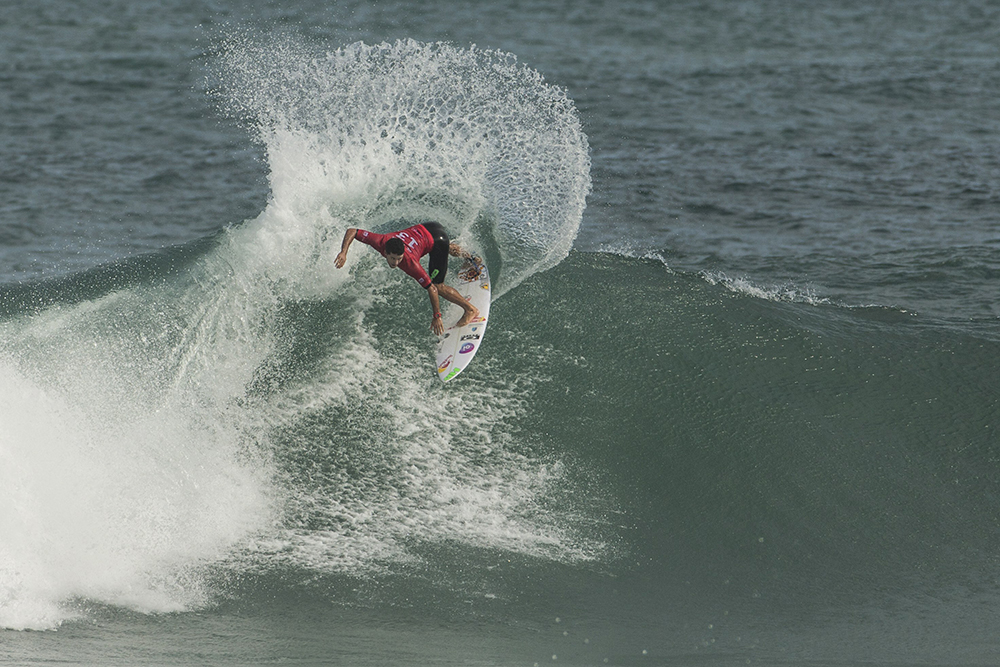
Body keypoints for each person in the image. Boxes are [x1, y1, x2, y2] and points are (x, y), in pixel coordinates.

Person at [334, 222, 480, 335]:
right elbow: (352, 231)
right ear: (384, 251)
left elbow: (433, 289)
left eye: (399, 258)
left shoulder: (410, 263)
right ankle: (471, 258)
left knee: (439, 285)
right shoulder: (380, 240)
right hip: (432, 227)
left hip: (435, 240)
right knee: (441, 243)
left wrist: (437, 315)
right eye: (392, 258)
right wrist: (343, 252)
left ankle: (470, 310)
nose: (396, 263)